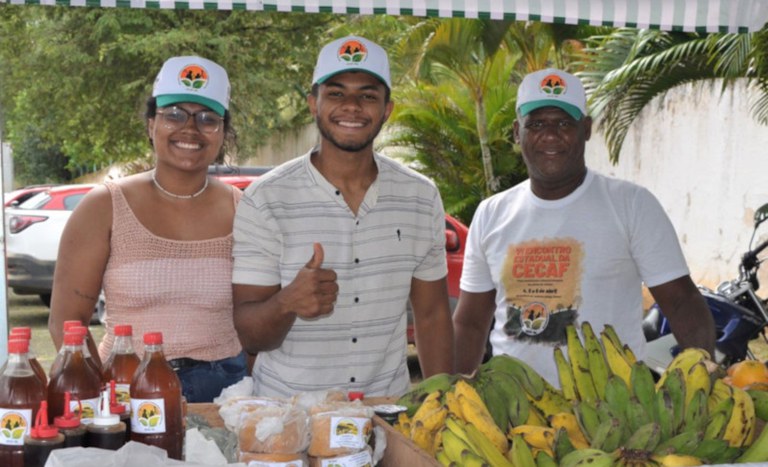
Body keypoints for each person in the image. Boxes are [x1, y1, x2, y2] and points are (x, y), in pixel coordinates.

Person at [452, 68, 716, 384]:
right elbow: (470, 323)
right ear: (516, 132)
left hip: (611, 410)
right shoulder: (491, 213)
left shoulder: (632, 205)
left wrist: (703, 379)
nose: (550, 135)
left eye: (564, 123)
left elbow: (682, 301)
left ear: (586, 129)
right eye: (535, 124)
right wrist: (454, 392)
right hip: (512, 409)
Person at [232, 36, 455, 398]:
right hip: (290, 423)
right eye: (336, 93)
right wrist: (288, 302)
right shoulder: (265, 198)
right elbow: (248, 334)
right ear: (313, 105)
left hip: (386, 414)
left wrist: (441, 405)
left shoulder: (421, 195)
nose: (351, 106)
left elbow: (431, 316)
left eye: (367, 95)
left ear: (387, 110)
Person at [49, 56, 248, 403]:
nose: (190, 128)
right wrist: (104, 397)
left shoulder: (243, 209)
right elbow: (68, 321)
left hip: (226, 391)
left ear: (223, 133)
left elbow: (258, 316)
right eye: (174, 114)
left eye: (207, 119)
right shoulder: (104, 207)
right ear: (151, 124)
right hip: (128, 385)